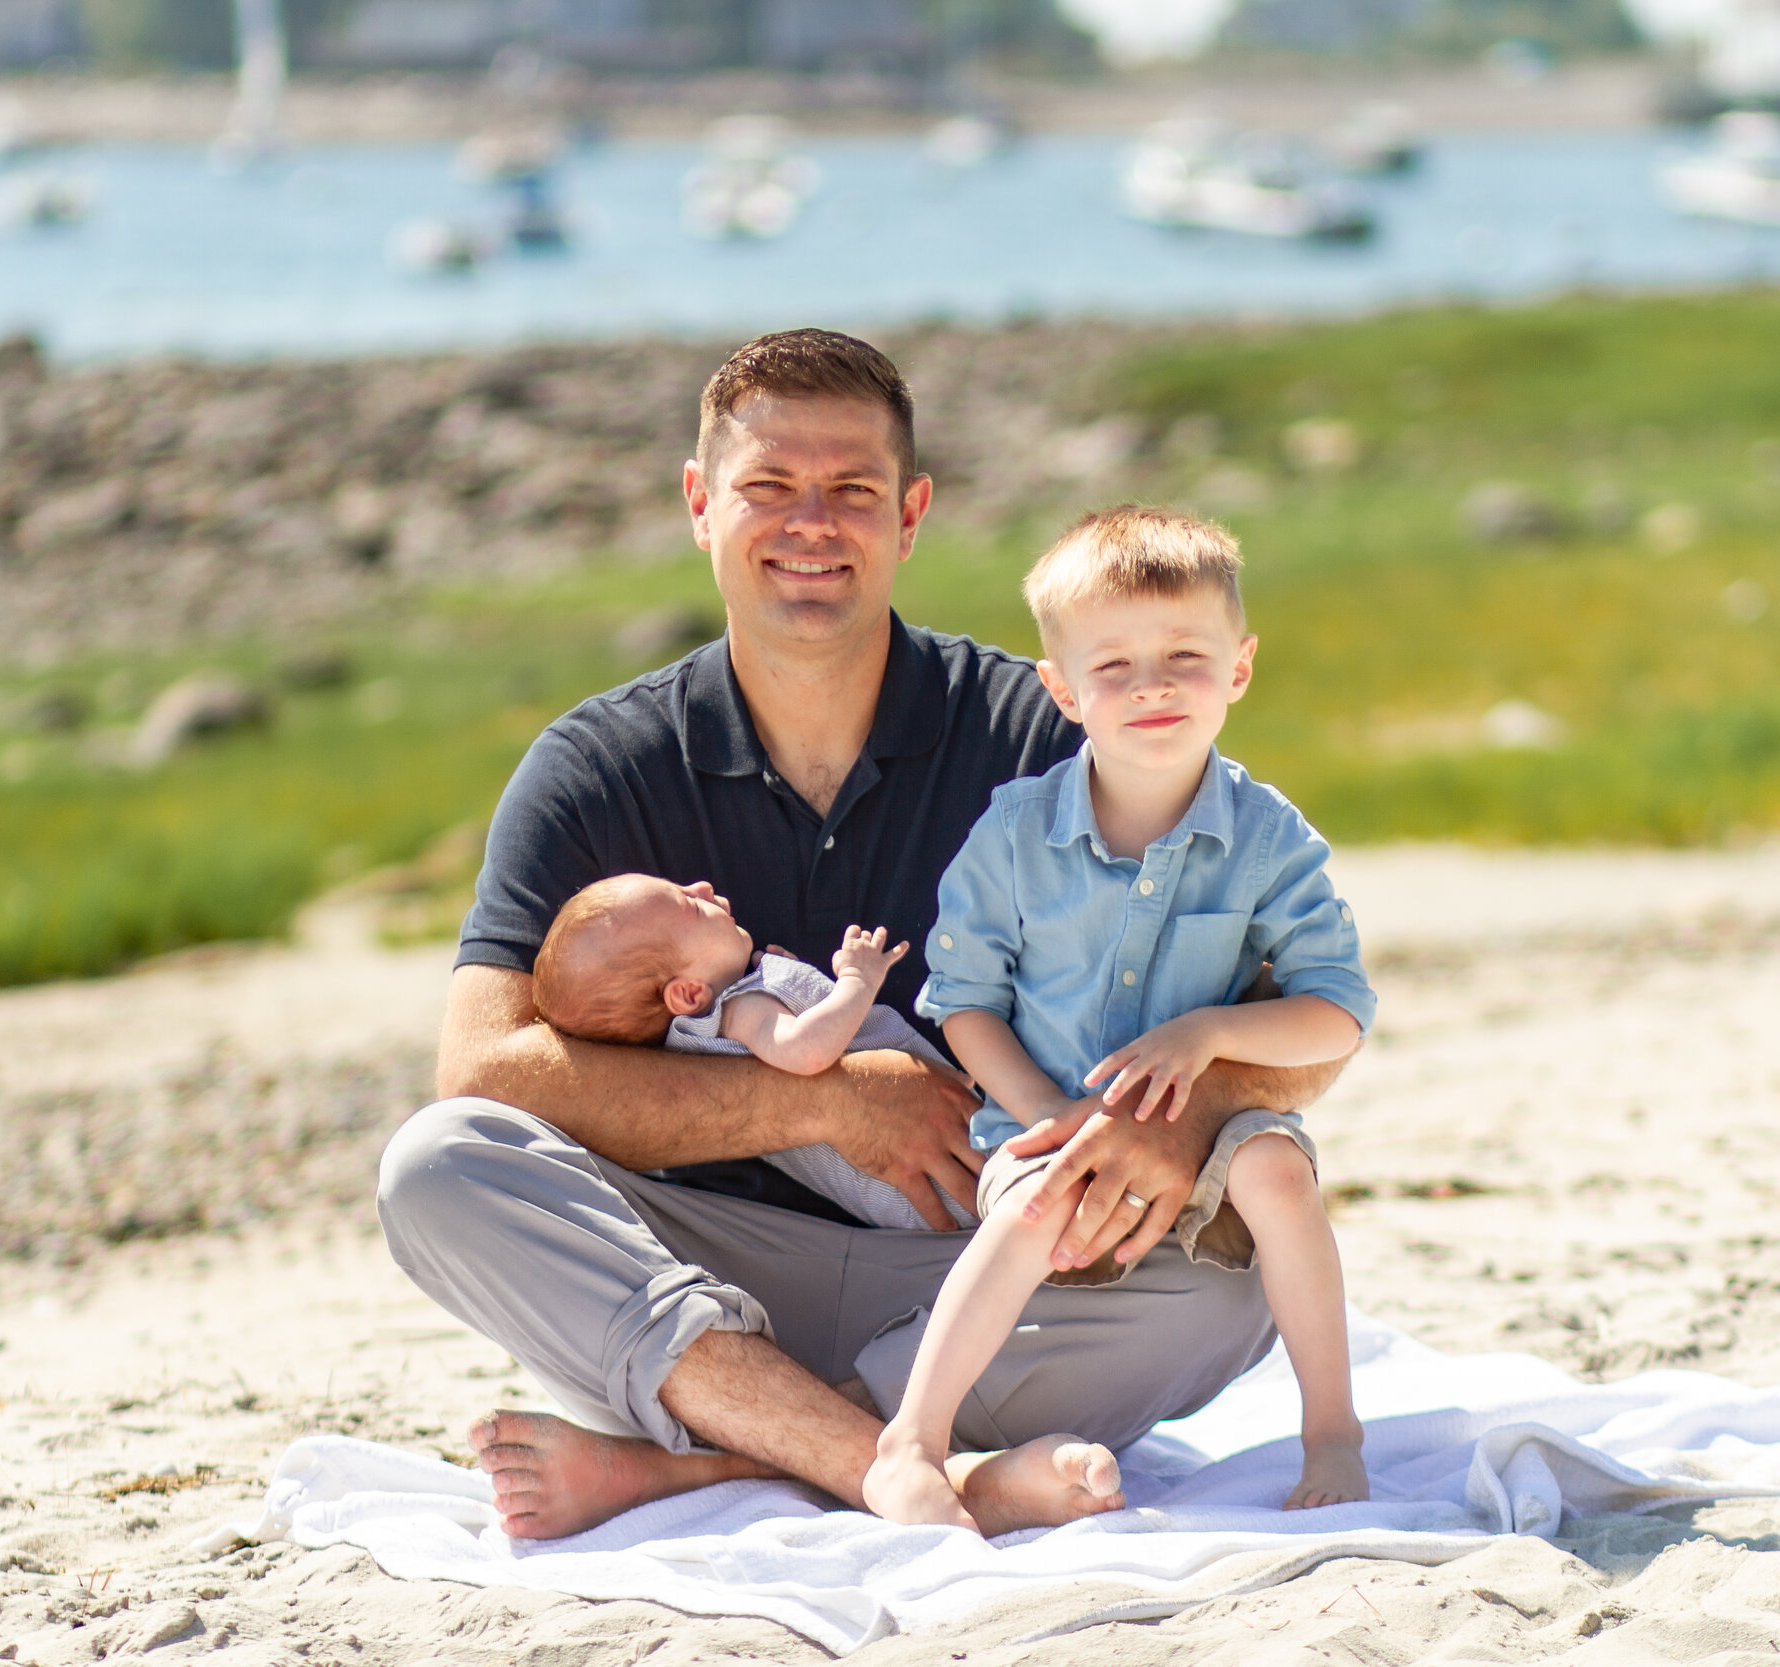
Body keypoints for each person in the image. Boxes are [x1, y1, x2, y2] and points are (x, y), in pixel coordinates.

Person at [376, 328, 1352, 1541]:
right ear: (698, 503)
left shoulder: (1045, 729)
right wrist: (823, 1101)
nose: (811, 524)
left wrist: (1187, 1119)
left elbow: (1304, 1027)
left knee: (1230, 1282)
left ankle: (702, 1467)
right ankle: (887, 1463)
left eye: (852, 490)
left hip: (982, 1270)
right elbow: (486, 1069)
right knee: (438, 1164)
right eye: (767, 488)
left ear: (911, 514)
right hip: (678, 1275)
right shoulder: (593, 770)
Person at [863, 507, 1375, 1528]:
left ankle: (1334, 1428)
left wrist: (1211, 1033)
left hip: (1214, 1133)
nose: (1152, 686)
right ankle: (911, 1438)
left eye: (1186, 655)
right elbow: (964, 1001)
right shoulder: (1014, 833)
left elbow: (1336, 1011)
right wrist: (1045, 1108)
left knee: (1279, 1168)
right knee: (1037, 1198)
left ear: (1238, 667)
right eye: (1114, 666)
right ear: (1062, 690)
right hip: (1040, 1117)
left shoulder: (1270, 837)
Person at [530, 872, 970, 1229]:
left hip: (923, 1172)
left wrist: (794, 982)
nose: (701, 886)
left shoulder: (733, 1012)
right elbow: (808, 1053)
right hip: (933, 1177)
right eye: (688, 904)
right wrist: (858, 980)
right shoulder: (740, 1010)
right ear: (687, 995)